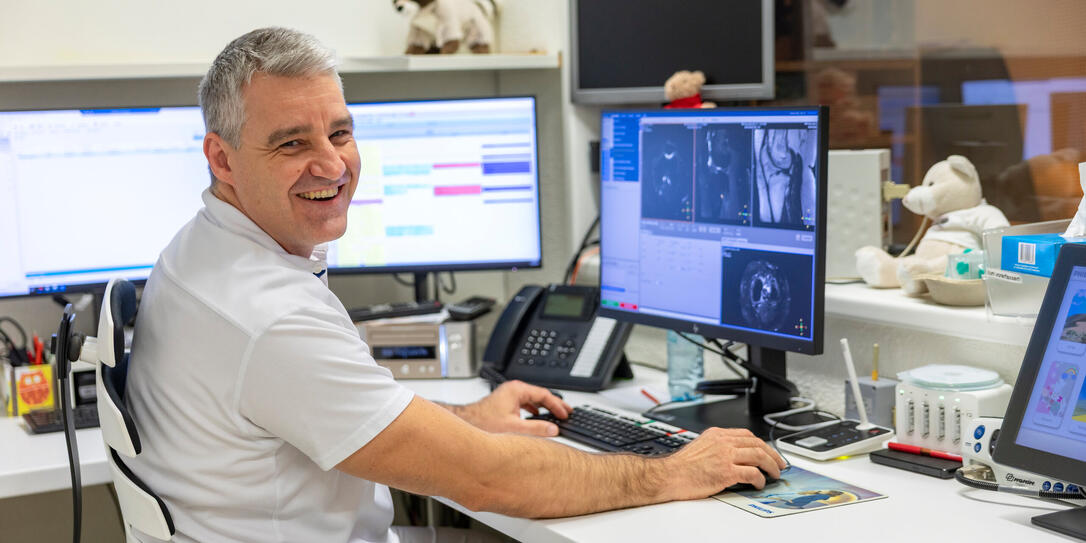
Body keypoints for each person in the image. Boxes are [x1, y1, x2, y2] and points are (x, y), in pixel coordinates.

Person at [125, 27, 785, 542]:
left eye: (341, 131)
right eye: (293, 143)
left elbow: (345, 417)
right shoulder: (265, 313)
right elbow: (491, 479)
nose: (332, 162)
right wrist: (672, 471)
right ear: (222, 157)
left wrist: (470, 418)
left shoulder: (197, 252)